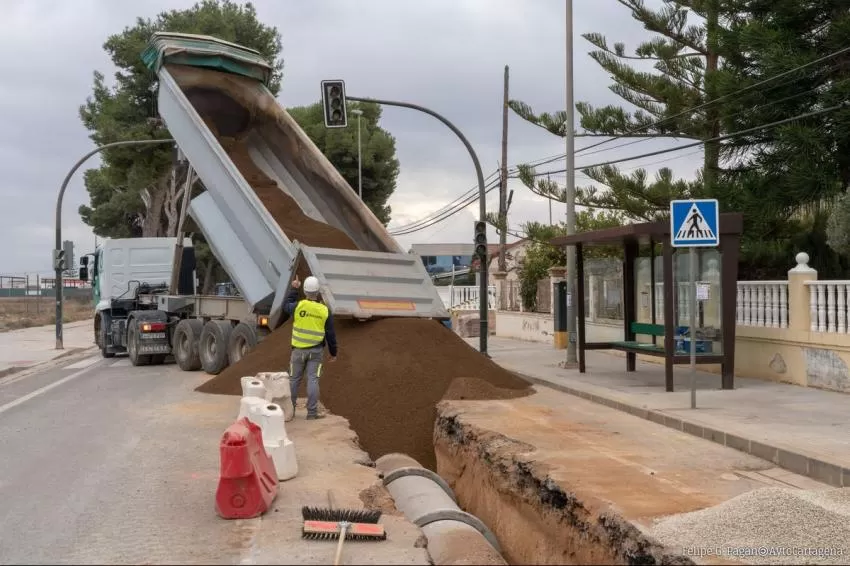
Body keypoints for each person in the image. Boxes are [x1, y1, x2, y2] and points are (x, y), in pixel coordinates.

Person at [284, 274, 337, 420]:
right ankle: (312, 413)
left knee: (294, 380)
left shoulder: (298, 306)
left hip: (298, 351)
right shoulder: (324, 310)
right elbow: (330, 334)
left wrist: (294, 289)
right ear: (318, 291)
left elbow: (286, 305)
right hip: (316, 352)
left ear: (305, 291)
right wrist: (333, 352)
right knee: (313, 380)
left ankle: (290, 411)